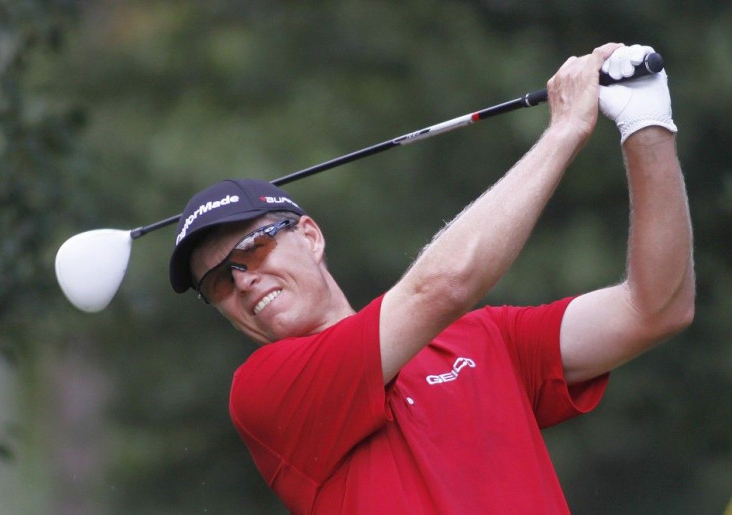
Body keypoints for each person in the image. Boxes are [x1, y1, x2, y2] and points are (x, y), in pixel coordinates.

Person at [168, 43, 695, 514]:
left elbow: (656, 309)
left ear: (309, 236)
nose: (242, 282)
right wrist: (564, 132)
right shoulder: (264, 392)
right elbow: (444, 286)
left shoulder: (487, 339)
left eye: (253, 249)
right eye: (217, 282)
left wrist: (646, 125)